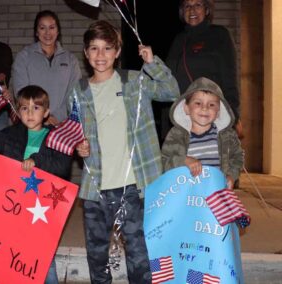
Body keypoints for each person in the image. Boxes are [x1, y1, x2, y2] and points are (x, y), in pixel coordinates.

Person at [73, 20, 179, 283]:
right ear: (86, 53)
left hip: (132, 185)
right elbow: (75, 131)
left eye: (107, 48)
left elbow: (171, 92)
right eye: (94, 49)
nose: (100, 55)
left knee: (138, 253)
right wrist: (78, 147)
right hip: (95, 187)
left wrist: (153, 63)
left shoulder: (134, 81)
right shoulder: (78, 91)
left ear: (117, 51)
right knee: (97, 254)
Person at [0, 85, 72, 284]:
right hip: (14, 206)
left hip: (42, 209)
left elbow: (62, 165)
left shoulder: (56, 137)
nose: (30, 113)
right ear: (18, 111)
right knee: (11, 253)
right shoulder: (10, 133)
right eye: (25, 108)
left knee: (43, 257)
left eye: (36, 108)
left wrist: (36, 161)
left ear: (46, 112)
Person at [165, 0, 242, 141]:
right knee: (186, 161)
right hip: (185, 116)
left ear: (207, 10)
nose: (192, 10)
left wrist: (234, 116)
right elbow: (168, 77)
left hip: (212, 114)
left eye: (197, 5)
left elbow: (230, 77)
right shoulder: (179, 39)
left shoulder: (219, 35)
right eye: (187, 6)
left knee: (212, 160)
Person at [161, 77, 243, 189]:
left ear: (219, 111)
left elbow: (238, 157)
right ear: (186, 108)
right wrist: (183, 160)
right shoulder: (176, 135)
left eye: (212, 105)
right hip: (186, 195)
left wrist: (231, 176)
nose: (205, 108)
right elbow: (163, 161)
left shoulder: (227, 136)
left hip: (216, 193)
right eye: (198, 103)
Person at [12, 10, 81, 126]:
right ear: (36, 32)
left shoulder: (71, 60)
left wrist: (55, 117)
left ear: (58, 31)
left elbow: (74, 95)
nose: (47, 33)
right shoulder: (23, 57)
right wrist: (42, 117)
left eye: (52, 27)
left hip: (61, 124)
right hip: (32, 124)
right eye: (42, 28)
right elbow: (21, 93)